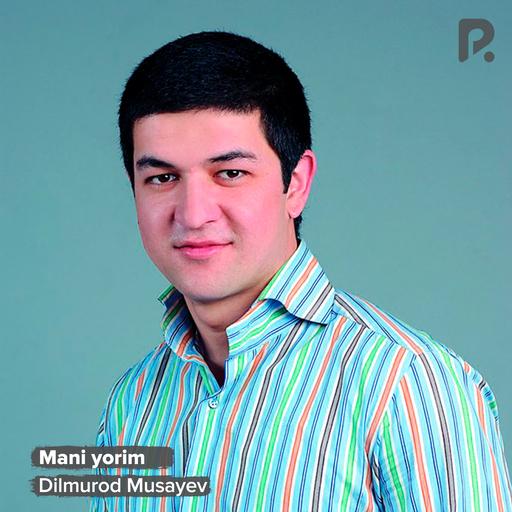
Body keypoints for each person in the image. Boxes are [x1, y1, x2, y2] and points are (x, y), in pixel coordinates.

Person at [90, 31, 512, 511]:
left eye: (230, 173)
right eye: (162, 178)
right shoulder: (133, 402)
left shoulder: (408, 385)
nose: (193, 213)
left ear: (296, 183)